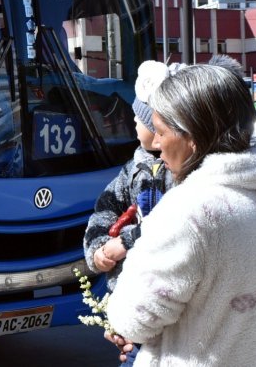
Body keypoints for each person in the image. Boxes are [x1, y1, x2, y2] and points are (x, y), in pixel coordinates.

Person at [105, 63, 256, 366]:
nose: (157, 144)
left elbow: (131, 319)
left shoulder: (187, 212)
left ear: (191, 137)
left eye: (161, 131)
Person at [83, 60, 179, 366]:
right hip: (133, 303)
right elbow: (105, 208)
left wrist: (125, 242)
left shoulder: (179, 172)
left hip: (160, 305)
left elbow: (170, 227)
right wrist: (98, 249)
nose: (134, 121)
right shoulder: (133, 168)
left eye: (141, 117)